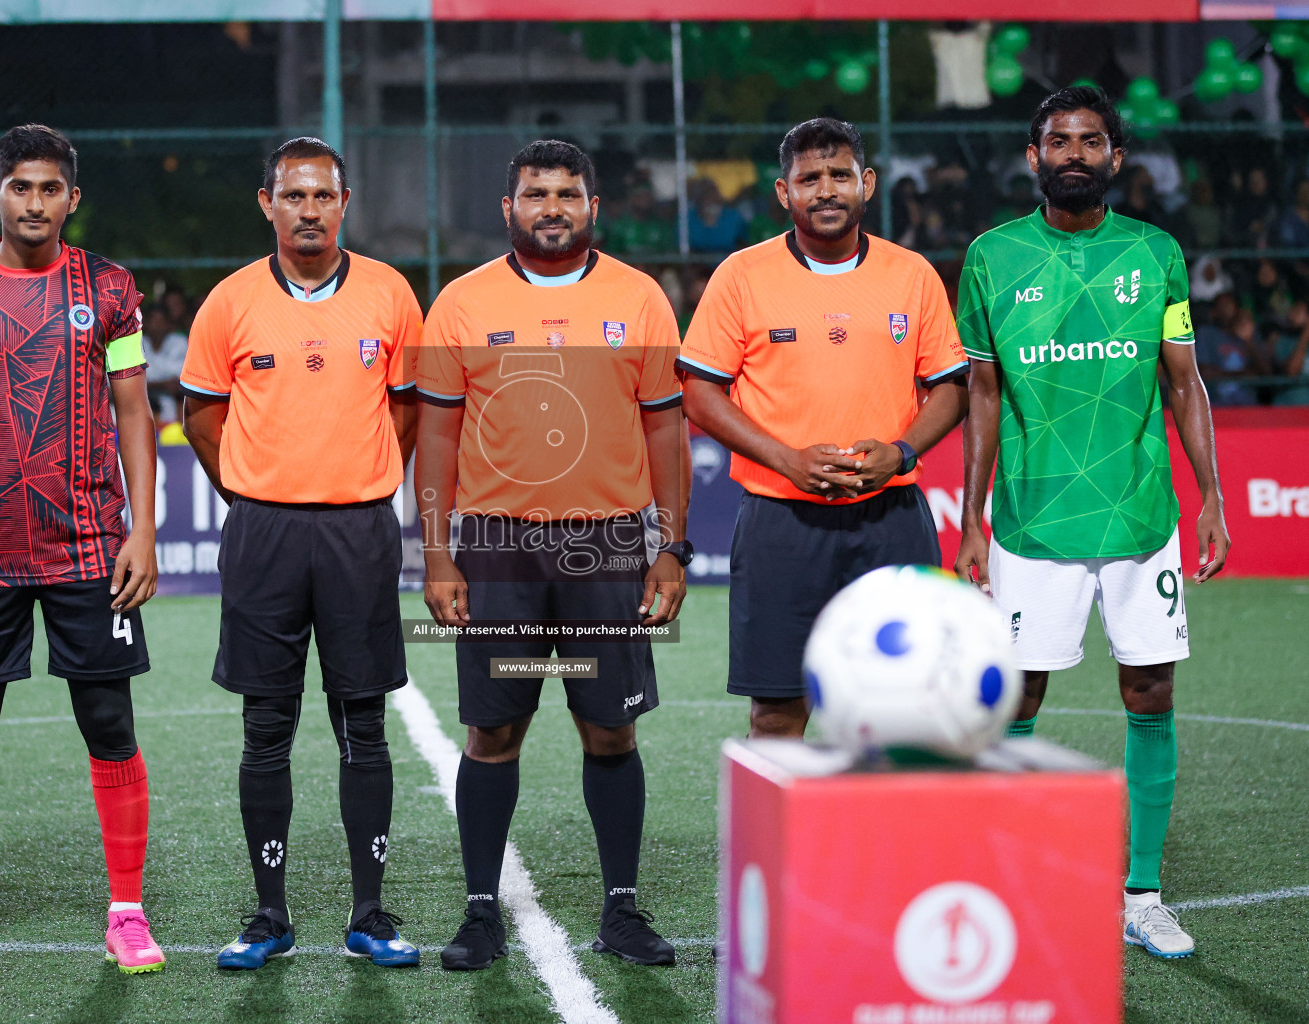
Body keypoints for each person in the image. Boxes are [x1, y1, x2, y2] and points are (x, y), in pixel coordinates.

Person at [954, 86, 1230, 960]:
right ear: (1033, 158)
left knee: (1150, 692)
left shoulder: (1157, 253)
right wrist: (969, 518)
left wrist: (1212, 494)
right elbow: (983, 394)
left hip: (1142, 514)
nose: (1075, 153)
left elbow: (1182, 380)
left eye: (1091, 141)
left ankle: (1142, 893)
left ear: (1115, 156)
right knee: (1021, 693)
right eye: (1058, 141)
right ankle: (1009, 879)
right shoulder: (992, 257)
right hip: (1031, 519)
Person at [416, 139, 687, 971]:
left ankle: (622, 909)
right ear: (509, 208)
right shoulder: (460, 303)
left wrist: (669, 548)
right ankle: (478, 913)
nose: (553, 206)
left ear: (593, 207)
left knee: (609, 731)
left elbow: (666, 426)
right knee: (493, 731)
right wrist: (436, 555)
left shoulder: (640, 298)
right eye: (537, 193)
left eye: (569, 192)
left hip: (607, 547)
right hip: (496, 550)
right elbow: (436, 433)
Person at [0, 124, 163, 980]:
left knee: (109, 722)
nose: (36, 202)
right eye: (21, 187)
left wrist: (144, 529)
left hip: (90, 547)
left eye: (51, 188)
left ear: (72, 199)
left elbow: (133, 409)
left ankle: (126, 913)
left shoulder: (111, 289)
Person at [180, 136, 422, 970]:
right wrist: (254, 490)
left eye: (323, 196)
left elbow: (408, 412)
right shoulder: (230, 302)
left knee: (364, 723)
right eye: (294, 197)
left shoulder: (391, 294)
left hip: (358, 531)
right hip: (264, 534)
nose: (309, 210)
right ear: (267, 204)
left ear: (344, 204)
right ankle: (270, 915)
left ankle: (369, 913)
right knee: (265, 728)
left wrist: (354, 477)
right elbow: (201, 416)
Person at [679, 117, 969, 741]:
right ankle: (780, 844)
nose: (827, 190)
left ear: (866, 183)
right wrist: (787, 460)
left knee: (908, 706)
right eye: (809, 179)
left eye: (840, 175)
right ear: (784, 194)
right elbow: (699, 392)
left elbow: (951, 386)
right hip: (780, 521)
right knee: (778, 710)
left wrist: (902, 451)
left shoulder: (912, 274)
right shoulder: (741, 275)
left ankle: (888, 842)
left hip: (892, 517)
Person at [139, 303, 187, 422]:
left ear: (168, 324)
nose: (157, 326)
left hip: (174, 410)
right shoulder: (137, 343)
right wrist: (163, 384)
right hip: (141, 408)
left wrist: (148, 385)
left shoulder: (179, 342)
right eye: (153, 321)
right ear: (145, 323)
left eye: (161, 321)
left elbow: (180, 383)